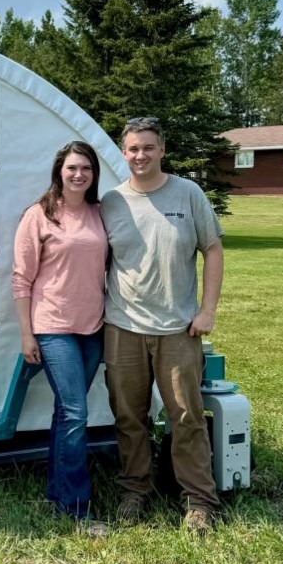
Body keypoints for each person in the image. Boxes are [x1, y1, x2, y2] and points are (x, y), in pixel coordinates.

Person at [100, 117, 224, 533]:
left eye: (148, 148)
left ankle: (199, 501)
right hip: (123, 327)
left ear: (162, 150)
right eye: (133, 148)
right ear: (123, 152)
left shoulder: (188, 194)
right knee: (128, 416)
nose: (140, 155)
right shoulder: (111, 202)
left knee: (186, 416)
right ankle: (135, 491)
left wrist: (207, 311)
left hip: (177, 329)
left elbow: (214, 249)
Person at [12, 141, 107, 521]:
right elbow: (21, 279)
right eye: (71, 168)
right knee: (75, 413)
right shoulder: (39, 215)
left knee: (66, 414)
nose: (78, 174)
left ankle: (57, 491)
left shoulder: (100, 213)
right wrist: (26, 334)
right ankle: (77, 506)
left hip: (93, 327)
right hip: (53, 328)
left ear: (93, 174)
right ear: (59, 172)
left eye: (85, 168)